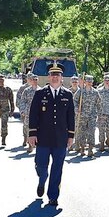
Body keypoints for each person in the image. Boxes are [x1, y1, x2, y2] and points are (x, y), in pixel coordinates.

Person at [28, 62, 75, 206]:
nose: (55, 77)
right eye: (52, 75)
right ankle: (42, 179)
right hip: (43, 137)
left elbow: (71, 117)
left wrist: (71, 136)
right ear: (48, 77)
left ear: (62, 78)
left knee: (57, 168)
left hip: (60, 138)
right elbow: (33, 115)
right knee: (41, 165)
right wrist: (32, 134)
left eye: (58, 75)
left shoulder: (67, 94)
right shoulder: (40, 93)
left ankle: (53, 196)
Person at [73, 74, 101, 157]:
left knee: (91, 132)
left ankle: (90, 149)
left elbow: (99, 103)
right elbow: (74, 101)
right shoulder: (80, 91)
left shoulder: (95, 92)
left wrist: (99, 114)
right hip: (82, 115)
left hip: (92, 116)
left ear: (92, 82)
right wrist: (77, 109)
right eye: (88, 81)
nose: (89, 82)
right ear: (85, 82)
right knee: (82, 132)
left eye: (91, 81)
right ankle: (82, 149)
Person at [17, 74, 38, 153]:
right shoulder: (26, 90)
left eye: (36, 80)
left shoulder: (41, 90)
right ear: (31, 81)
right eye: (33, 80)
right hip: (28, 113)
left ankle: (37, 144)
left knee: (39, 129)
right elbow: (22, 101)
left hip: (39, 113)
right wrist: (22, 111)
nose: (35, 81)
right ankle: (30, 145)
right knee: (29, 129)